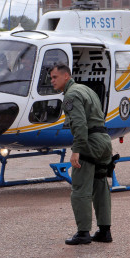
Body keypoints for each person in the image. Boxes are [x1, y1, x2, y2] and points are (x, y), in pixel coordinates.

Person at [49, 63, 113, 245]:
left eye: (54, 77)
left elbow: (79, 124)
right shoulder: (85, 89)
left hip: (89, 143)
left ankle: (83, 232)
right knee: (100, 186)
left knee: (80, 188)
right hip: (104, 140)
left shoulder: (71, 95)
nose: (52, 81)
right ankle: (104, 231)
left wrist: (76, 150)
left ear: (66, 76)